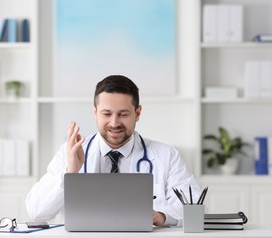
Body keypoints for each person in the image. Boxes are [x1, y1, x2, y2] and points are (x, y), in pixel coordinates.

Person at [25, 75, 202, 226]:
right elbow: (36, 211)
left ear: (138, 113)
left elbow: (196, 207)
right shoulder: (70, 152)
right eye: (106, 114)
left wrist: (161, 216)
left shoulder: (166, 155)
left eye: (123, 114)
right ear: (95, 112)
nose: (114, 123)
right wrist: (70, 173)